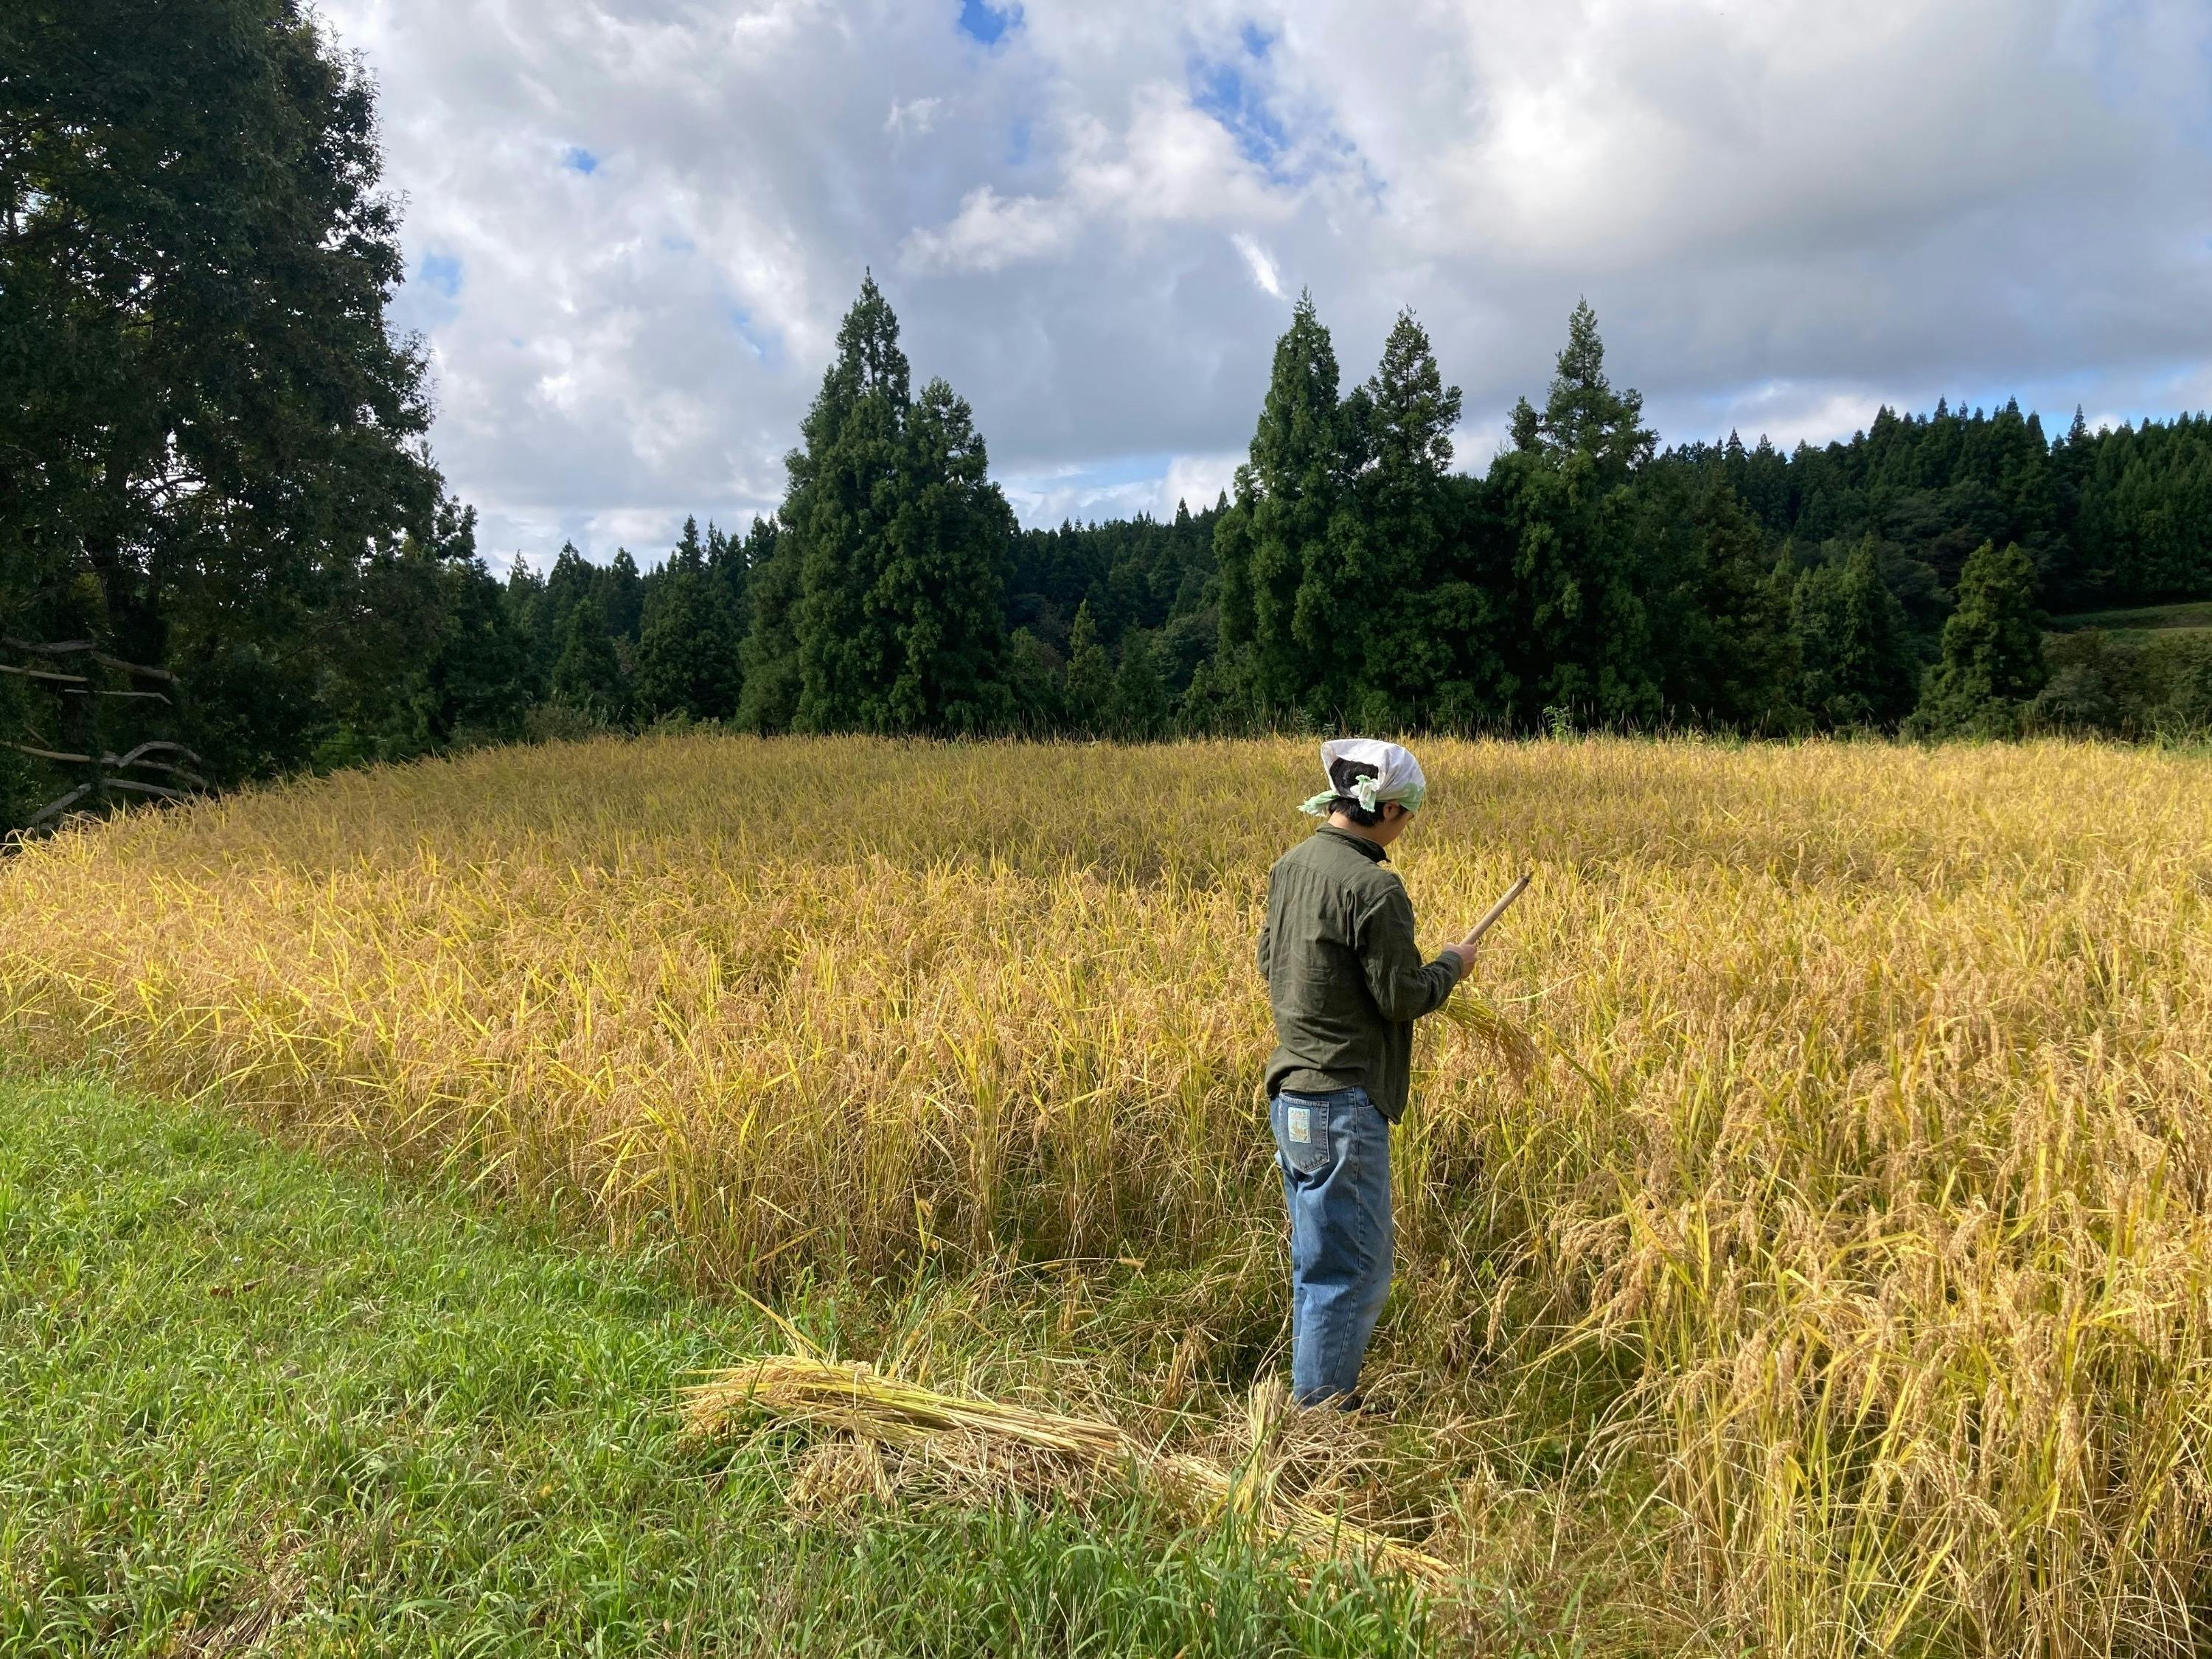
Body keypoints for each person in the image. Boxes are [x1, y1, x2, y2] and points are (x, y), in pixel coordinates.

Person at [1256, 738, 1486, 1410]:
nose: (1405, 828)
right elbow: (1401, 997)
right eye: (1405, 815)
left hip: (1293, 1097)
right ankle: (1319, 1419)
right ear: (1382, 809)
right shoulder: (1375, 887)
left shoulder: (1291, 867)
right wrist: (1452, 967)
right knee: (1354, 1269)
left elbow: (1272, 964)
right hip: (1343, 1104)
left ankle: (1314, 1398)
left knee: (1318, 1261)